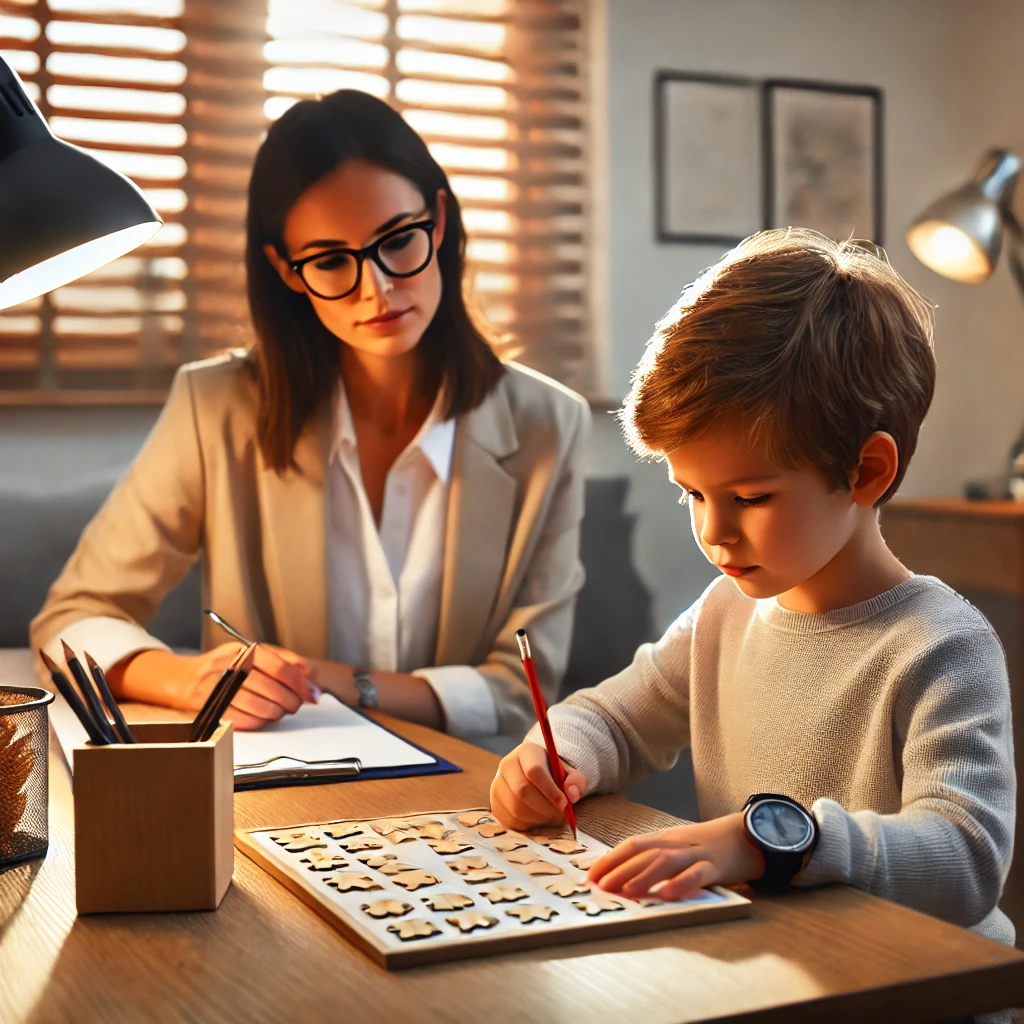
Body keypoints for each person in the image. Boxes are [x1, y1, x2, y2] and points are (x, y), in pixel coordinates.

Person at [490, 229, 1016, 954]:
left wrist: (771, 842)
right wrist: (556, 757)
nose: (715, 533)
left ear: (865, 472)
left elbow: (966, 860)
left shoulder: (942, 646)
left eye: (750, 496)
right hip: (780, 969)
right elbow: (614, 720)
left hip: (927, 991)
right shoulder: (722, 616)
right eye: (693, 495)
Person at [30, 90, 590, 749]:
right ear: (287, 271)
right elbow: (72, 616)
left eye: (398, 241)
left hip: (468, 786)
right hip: (278, 784)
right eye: (330, 261)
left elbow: (523, 687)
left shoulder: (550, 425)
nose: (376, 288)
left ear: (438, 222)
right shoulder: (216, 407)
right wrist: (189, 680)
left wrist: (341, 681)